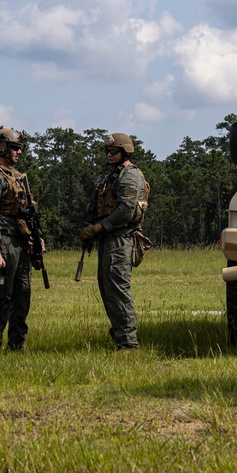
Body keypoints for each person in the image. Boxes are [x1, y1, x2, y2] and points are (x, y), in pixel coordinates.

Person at [80, 133, 148, 351]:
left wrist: (97, 228)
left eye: (113, 151)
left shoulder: (129, 176)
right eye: (106, 151)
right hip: (109, 240)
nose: (109, 155)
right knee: (108, 290)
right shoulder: (111, 176)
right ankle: (120, 335)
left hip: (120, 239)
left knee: (118, 290)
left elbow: (125, 211)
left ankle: (128, 344)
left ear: (125, 152)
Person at [0, 128, 42, 354]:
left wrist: (37, 237)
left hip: (22, 242)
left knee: (22, 294)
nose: (19, 152)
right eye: (15, 147)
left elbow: (30, 212)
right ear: (2, 148)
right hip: (3, 242)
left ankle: (17, 344)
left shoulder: (18, 177)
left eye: (20, 147)